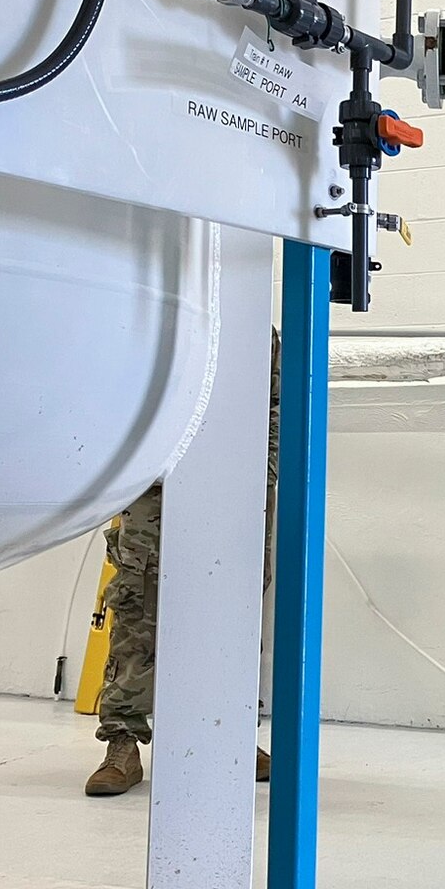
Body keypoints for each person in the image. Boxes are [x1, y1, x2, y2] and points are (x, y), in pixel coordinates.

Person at [87, 331, 281, 796]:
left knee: (231, 615)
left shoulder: (254, 326)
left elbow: (276, 401)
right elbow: (113, 393)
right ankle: (122, 743)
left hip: (236, 485)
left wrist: (262, 470)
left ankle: (226, 735)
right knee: (138, 609)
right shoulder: (155, 314)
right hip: (155, 484)